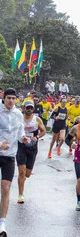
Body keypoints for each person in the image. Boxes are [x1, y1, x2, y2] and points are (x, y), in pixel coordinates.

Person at [0, 88, 28, 235]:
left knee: (5, 189)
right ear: (3, 98)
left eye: (13, 98)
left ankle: (2, 225)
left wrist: (24, 138)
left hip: (9, 156)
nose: (11, 101)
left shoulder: (18, 114)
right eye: (8, 98)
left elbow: (19, 133)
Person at [17, 100, 46, 204]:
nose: (29, 109)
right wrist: (21, 137)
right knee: (21, 172)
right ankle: (20, 195)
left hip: (32, 148)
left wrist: (37, 137)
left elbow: (44, 131)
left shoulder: (37, 119)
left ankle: (23, 180)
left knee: (27, 174)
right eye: (27, 107)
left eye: (31, 108)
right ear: (23, 108)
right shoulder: (19, 118)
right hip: (21, 147)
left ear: (33, 109)